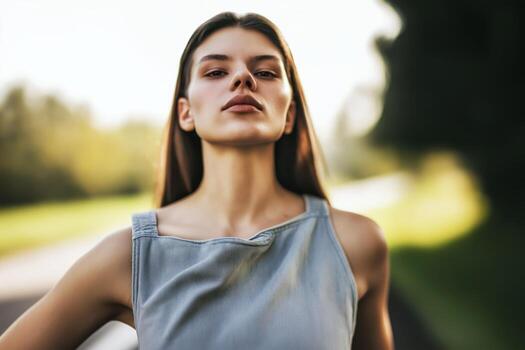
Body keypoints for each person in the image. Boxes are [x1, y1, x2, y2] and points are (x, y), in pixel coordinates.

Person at [0, 12, 394, 350]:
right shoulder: (129, 257)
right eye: (216, 71)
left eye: (266, 71)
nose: (242, 77)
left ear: (289, 115)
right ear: (186, 113)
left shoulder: (356, 244)